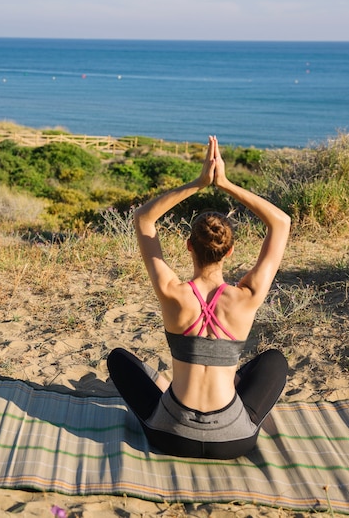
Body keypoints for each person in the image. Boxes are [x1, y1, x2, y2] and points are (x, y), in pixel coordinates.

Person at [107, 135, 291, 459]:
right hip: (234, 440)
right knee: (274, 361)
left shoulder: (172, 293)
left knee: (119, 359)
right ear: (230, 251)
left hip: (170, 436)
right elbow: (281, 222)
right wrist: (226, 183)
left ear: (189, 246)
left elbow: (143, 218)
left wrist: (199, 182)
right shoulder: (246, 297)